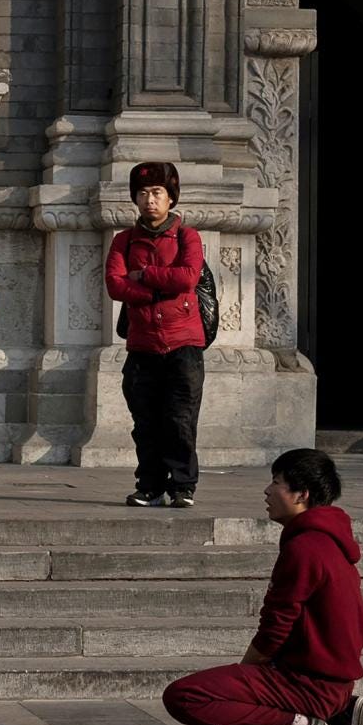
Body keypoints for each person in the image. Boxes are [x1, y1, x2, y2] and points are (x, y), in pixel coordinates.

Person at [163, 449, 363, 725]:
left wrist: (246, 670)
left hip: (308, 684)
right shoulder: (331, 542)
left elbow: (275, 626)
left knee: (184, 697)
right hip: (332, 682)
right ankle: (339, 713)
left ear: (302, 494)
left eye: (277, 483)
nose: (267, 491)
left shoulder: (305, 548)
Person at [104, 161, 206, 509]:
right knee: (145, 421)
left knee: (180, 419)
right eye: (144, 193)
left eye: (158, 193)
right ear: (135, 198)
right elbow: (115, 285)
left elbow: (188, 277)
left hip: (183, 342)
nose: (150, 200)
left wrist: (144, 274)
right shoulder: (123, 240)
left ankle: (182, 486)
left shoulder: (187, 236)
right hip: (143, 343)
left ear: (170, 199)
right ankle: (149, 486)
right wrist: (156, 291)